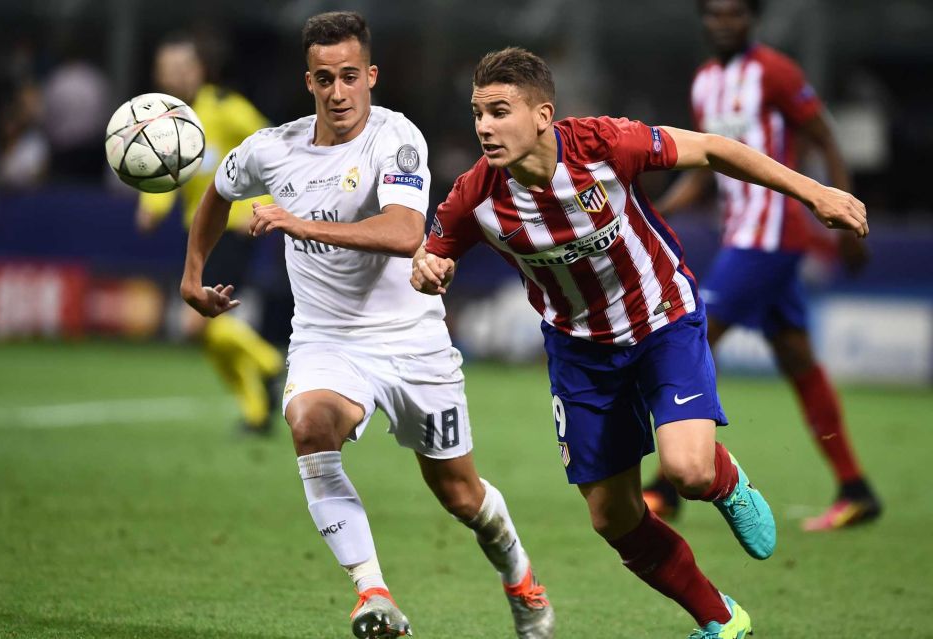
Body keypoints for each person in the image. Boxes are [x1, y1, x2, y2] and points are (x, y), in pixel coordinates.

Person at [411, 47, 867, 638]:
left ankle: (725, 480)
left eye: (500, 112)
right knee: (613, 517)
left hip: (661, 319)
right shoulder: (474, 197)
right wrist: (428, 268)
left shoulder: (603, 144)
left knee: (688, 472)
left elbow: (714, 149)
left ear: (543, 115)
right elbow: (431, 253)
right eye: (478, 114)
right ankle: (722, 619)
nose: (484, 127)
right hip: (579, 353)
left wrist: (815, 193)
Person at [179, 12, 554, 639]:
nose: (338, 91)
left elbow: (405, 231)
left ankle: (520, 577)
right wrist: (193, 274)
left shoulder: (396, 138)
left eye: (350, 76)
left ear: (371, 76)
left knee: (461, 495)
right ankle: (373, 593)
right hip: (327, 340)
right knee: (309, 424)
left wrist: (299, 223)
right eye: (325, 78)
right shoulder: (273, 149)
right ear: (309, 81)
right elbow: (218, 190)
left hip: (413, 342)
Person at [641, 0, 881, 531]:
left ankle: (666, 486)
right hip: (741, 236)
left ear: (753, 18)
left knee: (691, 337)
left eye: (734, 13)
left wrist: (844, 217)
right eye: (713, 14)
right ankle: (855, 488)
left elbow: (824, 137)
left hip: (771, 237)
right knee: (797, 358)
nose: (722, 23)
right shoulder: (705, 82)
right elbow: (705, 164)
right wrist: (655, 212)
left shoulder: (775, 71)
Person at [137, 32, 284, 435]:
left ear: (200, 70)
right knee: (208, 328)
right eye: (168, 69)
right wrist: (151, 209)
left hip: (235, 226)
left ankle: (270, 363)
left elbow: (276, 147)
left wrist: (263, 204)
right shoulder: (165, 125)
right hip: (200, 233)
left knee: (199, 321)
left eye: (184, 67)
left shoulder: (225, 108)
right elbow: (164, 174)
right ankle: (257, 410)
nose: (177, 75)